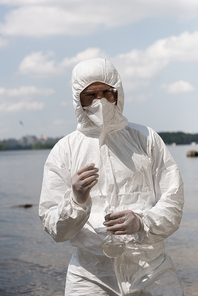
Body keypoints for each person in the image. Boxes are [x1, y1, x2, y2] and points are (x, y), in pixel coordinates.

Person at [39, 58, 184, 296]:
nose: (100, 101)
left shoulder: (146, 139)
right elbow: (56, 229)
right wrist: (76, 200)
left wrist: (141, 222)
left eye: (107, 92)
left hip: (152, 270)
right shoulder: (64, 150)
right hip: (90, 276)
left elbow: (174, 200)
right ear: (78, 99)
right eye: (91, 95)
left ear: (118, 93)